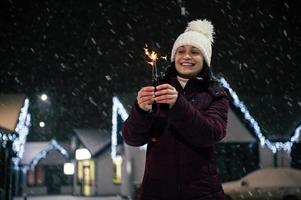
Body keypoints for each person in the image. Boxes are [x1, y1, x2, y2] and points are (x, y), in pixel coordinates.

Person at [122, 19, 229, 200]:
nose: (186, 56)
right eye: (181, 51)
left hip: (201, 193)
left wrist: (178, 105)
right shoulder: (157, 90)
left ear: (205, 60)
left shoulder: (216, 94)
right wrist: (141, 111)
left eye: (195, 52)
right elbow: (132, 138)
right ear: (174, 57)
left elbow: (211, 133)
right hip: (157, 192)